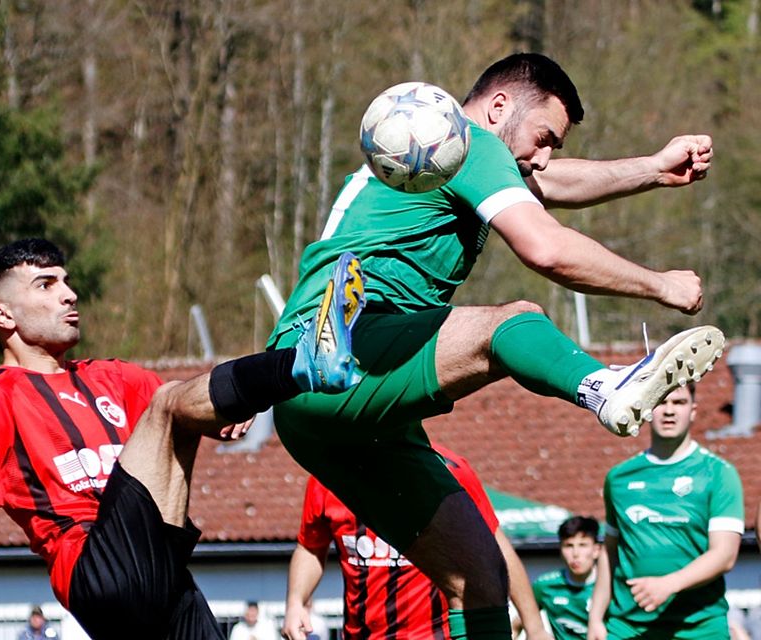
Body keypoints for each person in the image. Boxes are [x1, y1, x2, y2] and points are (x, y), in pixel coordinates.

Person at [267, 51, 724, 639]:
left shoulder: (436, 150)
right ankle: (602, 386)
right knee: (509, 323)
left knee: (481, 576)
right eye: (543, 136)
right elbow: (547, 249)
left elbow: (548, 181)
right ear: (500, 106)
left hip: (324, 411)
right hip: (336, 349)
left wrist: (655, 169)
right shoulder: (460, 142)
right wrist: (660, 285)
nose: (544, 155)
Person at [0, 239, 366, 640]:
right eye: (46, 285)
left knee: (175, 404)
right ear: (2, 314)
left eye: (66, 282)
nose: (69, 294)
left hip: (161, 570)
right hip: (94, 566)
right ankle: (301, 364)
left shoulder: (112, 377)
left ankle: (304, 362)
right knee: (169, 404)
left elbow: (194, 409)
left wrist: (227, 413)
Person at [282, 444, 550, 640]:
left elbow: (494, 545)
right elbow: (310, 546)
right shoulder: (327, 476)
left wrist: (534, 626)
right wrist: (295, 602)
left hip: (436, 634)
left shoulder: (448, 470)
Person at [587, 383, 744, 639]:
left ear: (693, 411)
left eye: (679, 403)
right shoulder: (618, 477)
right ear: (647, 408)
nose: (669, 411)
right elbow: (611, 552)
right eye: (661, 401)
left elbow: (725, 554)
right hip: (628, 626)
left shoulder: (719, 473)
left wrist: (668, 584)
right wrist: (595, 617)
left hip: (699, 627)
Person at [527, 516, 602, 640]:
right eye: (568, 546)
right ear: (560, 549)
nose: (575, 553)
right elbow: (518, 623)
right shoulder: (544, 586)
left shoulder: (612, 586)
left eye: (583, 545)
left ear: (596, 550)